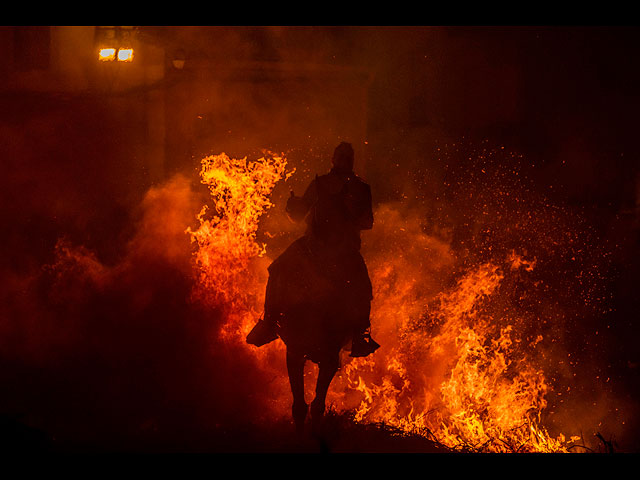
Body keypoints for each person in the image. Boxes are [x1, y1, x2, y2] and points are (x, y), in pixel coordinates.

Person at [247, 142, 379, 433]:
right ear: (334, 158)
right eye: (340, 156)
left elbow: (366, 222)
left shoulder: (359, 188)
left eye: (347, 157)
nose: (342, 160)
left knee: (362, 286)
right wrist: (294, 206)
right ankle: (269, 320)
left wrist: (350, 210)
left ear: (348, 161)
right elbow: (300, 214)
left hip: (343, 251)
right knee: (277, 269)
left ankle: (360, 331)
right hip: (314, 247)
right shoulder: (321, 183)